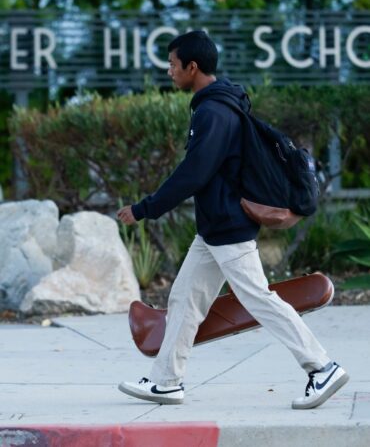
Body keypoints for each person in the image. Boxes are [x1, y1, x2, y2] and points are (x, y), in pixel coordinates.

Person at [117, 30, 349, 409]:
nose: (169, 71)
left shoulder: (213, 112)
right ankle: (166, 381)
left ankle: (321, 367)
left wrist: (145, 208)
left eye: (173, 65)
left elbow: (194, 172)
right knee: (186, 298)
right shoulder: (220, 105)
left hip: (226, 227)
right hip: (215, 228)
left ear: (192, 67)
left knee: (257, 297)